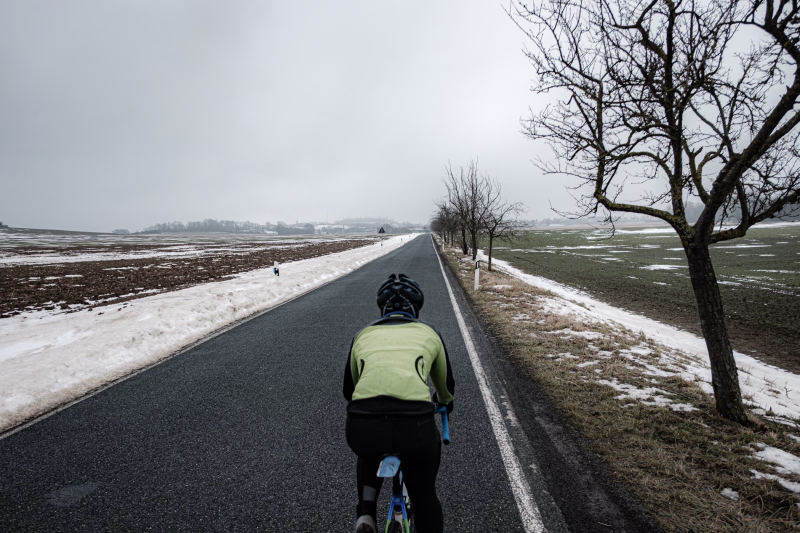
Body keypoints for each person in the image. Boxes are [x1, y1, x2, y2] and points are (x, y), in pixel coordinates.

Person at [343, 273, 455, 533]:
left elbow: (349, 390)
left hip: (363, 422)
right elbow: (445, 388)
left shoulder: (362, 335)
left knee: (369, 451)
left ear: (381, 309)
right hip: (415, 424)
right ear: (416, 309)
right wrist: (444, 403)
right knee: (426, 496)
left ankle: (366, 514)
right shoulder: (429, 333)